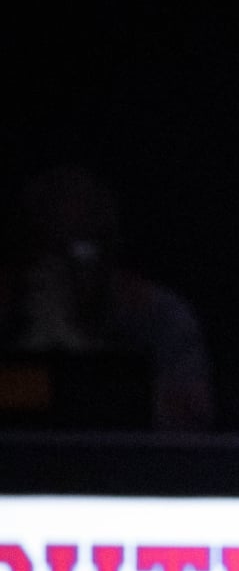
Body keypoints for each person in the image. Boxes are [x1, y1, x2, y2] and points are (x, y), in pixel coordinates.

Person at [0, 164, 214, 430]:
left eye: (81, 251)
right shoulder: (6, 302)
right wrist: (35, 355)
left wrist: (78, 358)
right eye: (47, 250)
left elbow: (191, 421)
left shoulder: (156, 314)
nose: (61, 269)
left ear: (108, 252)